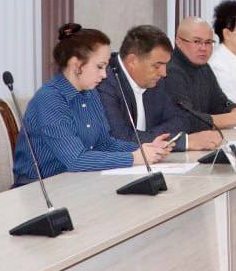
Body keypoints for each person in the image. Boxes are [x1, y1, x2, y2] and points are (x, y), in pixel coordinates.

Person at [12, 24, 172, 185]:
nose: (104, 75)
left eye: (106, 67)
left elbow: (104, 143)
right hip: (39, 187)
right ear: (76, 65)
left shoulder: (91, 93)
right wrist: (134, 158)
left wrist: (143, 149)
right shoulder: (50, 99)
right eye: (100, 67)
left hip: (77, 182)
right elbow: (76, 160)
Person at [98, 25, 221, 152]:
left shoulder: (156, 80)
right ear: (132, 61)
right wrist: (183, 142)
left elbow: (181, 120)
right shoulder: (105, 82)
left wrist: (146, 137)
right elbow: (120, 139)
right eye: (157, 66)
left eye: (165, 65)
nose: (164, 73)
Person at [165, 17, 236, 132]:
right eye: (197, 41)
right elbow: (185, 119)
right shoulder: (170, 71)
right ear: (178, 42)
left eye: (208, 42)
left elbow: (219, 103)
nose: (203, 48)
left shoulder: (203, 67)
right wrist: (232, 118)